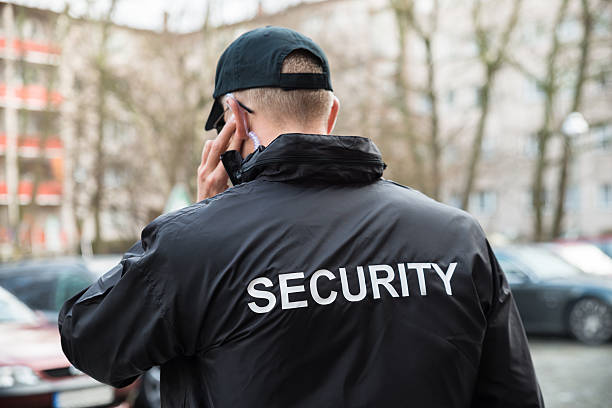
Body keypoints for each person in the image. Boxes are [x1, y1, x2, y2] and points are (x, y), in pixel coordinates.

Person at [59, 26, 544, 408]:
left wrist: (196, 220)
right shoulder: (456, 234)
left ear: (237, 120)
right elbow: (514, 394)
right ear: (330, 115)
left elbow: (90, 343)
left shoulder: (193, 243)